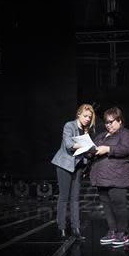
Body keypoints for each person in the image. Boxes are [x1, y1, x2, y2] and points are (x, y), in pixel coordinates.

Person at [89, 106, 129, 247]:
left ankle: (122, 233)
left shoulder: (125, 134)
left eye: (111, 122)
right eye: (106, 122)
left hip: (118, 177)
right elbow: (92, 152)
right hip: (101, 178)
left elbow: (127, 149)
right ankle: (112, 231)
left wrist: (108, 149)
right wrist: (86, 150)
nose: (108, 125)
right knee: (107, 206)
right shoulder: (101, 136)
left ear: (119, 120)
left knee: (119, 206)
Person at [51, 103, 96, 240]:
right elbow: (69, 145)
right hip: (65, 164)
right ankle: (62, 228)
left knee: (75, 199)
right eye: (85, 116)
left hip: (78, 166)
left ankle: (76, 229)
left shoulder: (87, 130)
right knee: (64, 197)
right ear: (78, 114)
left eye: (90, 116)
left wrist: (89, 154)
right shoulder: (69, 126)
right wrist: (87, 147)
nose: (87, 119)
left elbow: (85, 152)